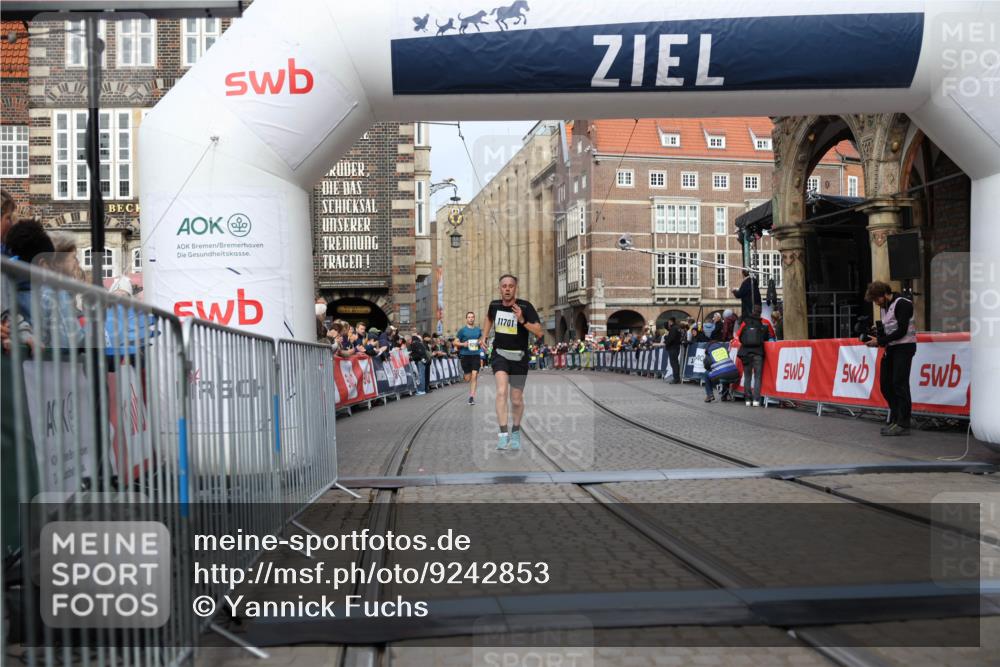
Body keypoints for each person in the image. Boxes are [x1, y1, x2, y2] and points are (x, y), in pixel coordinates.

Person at [480, 274, 542, 451]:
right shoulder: (494, 305)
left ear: (515, 288)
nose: (507, 289)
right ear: (500, 288)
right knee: (501, 392)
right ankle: (502, 434)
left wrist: (522, 320)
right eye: (504, 286)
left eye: (510, 286)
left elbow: (539, 332)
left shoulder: (524, 306)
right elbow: (488, 318)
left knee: (516, 400)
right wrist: (484, 335)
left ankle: (515, 431)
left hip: (519, 357)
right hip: (500, 355)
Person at [865, 281, 917, 436]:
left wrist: (880, 341)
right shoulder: (885, 307)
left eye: (876, 300)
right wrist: (878, 336)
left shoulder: (903, 304)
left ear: (884, 294)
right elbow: (890, 330)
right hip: (891, 348)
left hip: (904, 347)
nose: (876, 303)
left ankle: (903, 423)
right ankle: (896, 416)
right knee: (886, 385)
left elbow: (901, 330)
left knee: (899, 383)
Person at [734, 304, 776, 407]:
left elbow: (738, 336)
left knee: (747, 377)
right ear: (760, 312)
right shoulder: (765, 322)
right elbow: (770, 337)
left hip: (746, 353)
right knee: (758, 377)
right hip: (758, 353)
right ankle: (756, 400)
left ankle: (748, 400)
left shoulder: (745, 323)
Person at [456, 311, 483, 405]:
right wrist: (463, 344)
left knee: (474, 375)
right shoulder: (462, 331)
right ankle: (469, 379)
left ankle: (471, 397)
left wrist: (481, 342)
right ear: (466, 319)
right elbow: (455, 342)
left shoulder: (478, 330)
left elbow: (481, 340)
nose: (471, 318)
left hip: (476, 354)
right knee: (468, 378)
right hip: (465, 355)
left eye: (472, 317)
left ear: (474, 318)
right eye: (469, 317)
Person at [662, 317, 683, 384]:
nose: (668, 323)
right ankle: (677, 378)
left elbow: (671, 338)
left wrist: (666, 340)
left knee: (674, 363)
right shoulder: (677, 328)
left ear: (671, 321)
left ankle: (676, 379)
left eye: (669, 322)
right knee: (675, 363)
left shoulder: (674, 328)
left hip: (673, 347)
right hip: (676, 347)